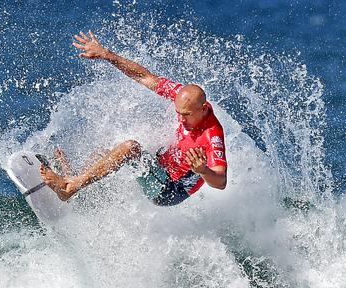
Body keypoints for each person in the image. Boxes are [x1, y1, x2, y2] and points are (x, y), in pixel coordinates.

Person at [40, 31, 227, 206]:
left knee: (130, 148)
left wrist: (203, 170)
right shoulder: (182, 96)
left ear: (203, 109)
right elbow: (144, 76)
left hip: (169, 190)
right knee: (104, 155)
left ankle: (69, 188)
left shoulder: (212, 135)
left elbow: (221, 181)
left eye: (186, 115)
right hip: (160, 168)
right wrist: (106, 54)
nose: (181, 118)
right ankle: (73, 179)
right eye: (179, 112)